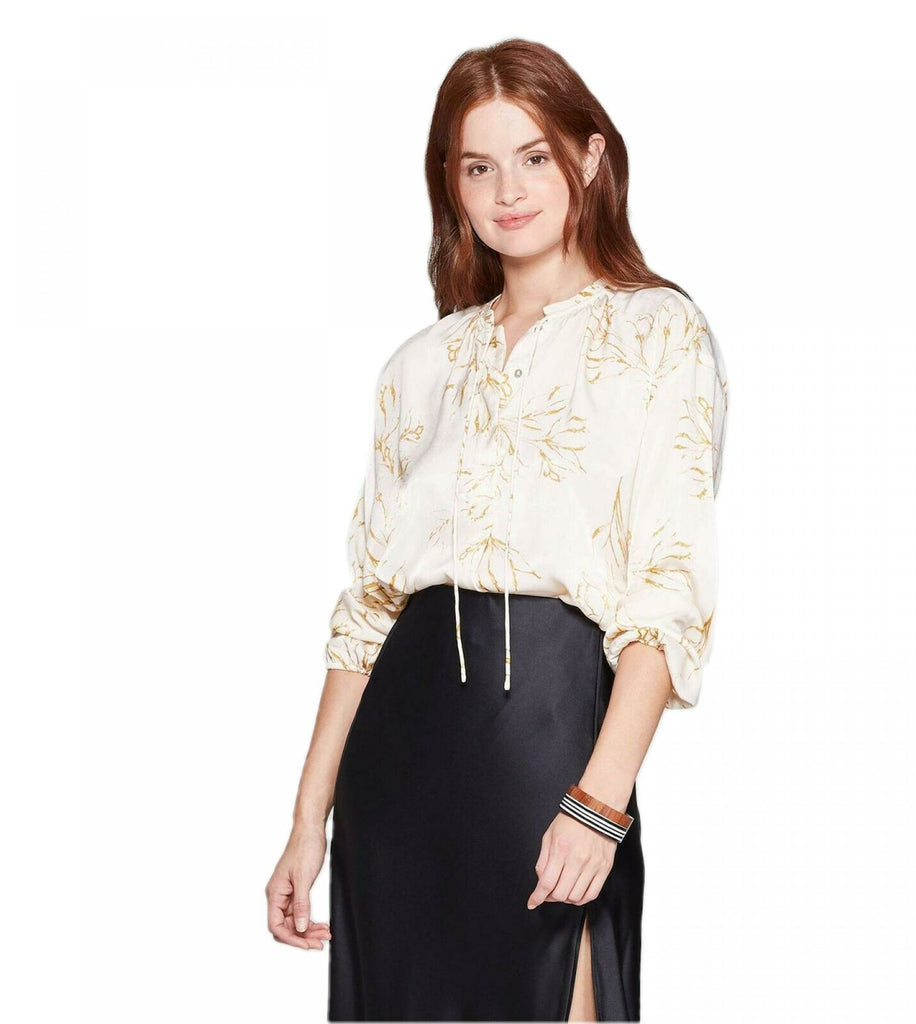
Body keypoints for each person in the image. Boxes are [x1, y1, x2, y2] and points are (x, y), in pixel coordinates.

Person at [266, 37, 729, 1023]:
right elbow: (368, 610)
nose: (507, 190)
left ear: (589, 157)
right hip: (398, 762)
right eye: (478, 166)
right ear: (451, 182)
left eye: (533, 156)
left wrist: (599, 800)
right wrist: (309, 820)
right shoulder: (420, 365)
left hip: (550, 745)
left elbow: (668, 588)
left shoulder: (658, 332)